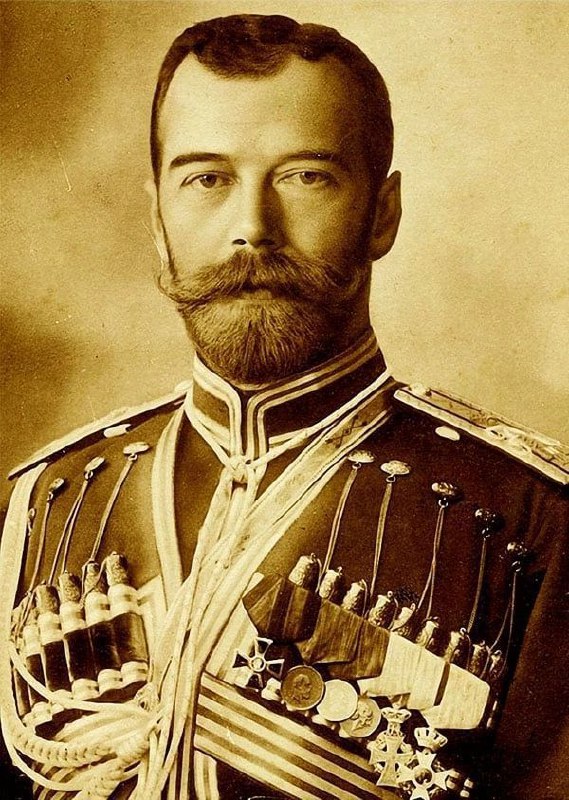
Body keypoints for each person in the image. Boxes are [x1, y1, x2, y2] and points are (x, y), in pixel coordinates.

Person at [0, 13, 566, 800]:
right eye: (206, 178)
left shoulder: (528, 521)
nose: (251, 230)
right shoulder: (41, 507)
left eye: (305, 176)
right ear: (157, 218)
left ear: (382, 214)